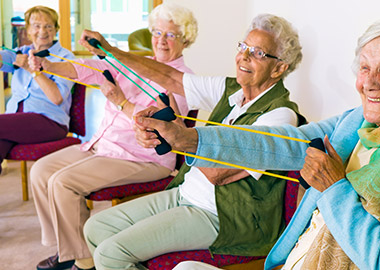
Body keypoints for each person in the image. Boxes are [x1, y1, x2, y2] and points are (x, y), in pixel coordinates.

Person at [134, 18, 380, 270]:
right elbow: (276, 144)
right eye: (364, 67)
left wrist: (334, 188)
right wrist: (190, 139)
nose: (369, 84)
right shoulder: (357, 121)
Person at [80, 13, 306, 270]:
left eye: (258, 53)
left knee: (111, 254)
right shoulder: (232, 90)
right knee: (96, 228)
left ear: (279, 68)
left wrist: (179, 138)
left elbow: (218, 174)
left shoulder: (280, 116)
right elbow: (171, 78)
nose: (244, 56)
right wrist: (110, 51)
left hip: (222, 214)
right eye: (243, 47)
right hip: (185, 193)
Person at [27, 3, 198, 270]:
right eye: (156, 32)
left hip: (141, 158)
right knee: (40, 171)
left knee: (62, 182)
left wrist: (120, 102)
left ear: (185, 39)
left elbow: (158, 125)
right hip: (103, 145)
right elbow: (87, 69)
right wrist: (47, 65)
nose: (161, 41)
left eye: (170, 35)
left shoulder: (184, 80)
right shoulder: (139, 63)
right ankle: (66, 251)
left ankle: (83, 262)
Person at [0, 6, 74, 174]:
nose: (42, 31)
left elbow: (57, 98)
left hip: (50, 122)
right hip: (16, 121)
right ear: (28, 29)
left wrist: (33, 70)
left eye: (48, 26)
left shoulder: (66, 58)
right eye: (36, 25)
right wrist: (17, 59)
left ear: (56, 29)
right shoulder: (20, 52)